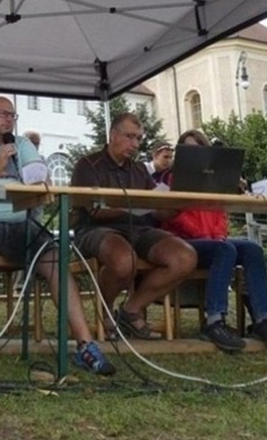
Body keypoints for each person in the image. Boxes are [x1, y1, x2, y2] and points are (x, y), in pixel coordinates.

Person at [0, 96, 115, 375]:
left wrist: (38, 179)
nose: (8, 120)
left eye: (12, 115)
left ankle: (86, 345)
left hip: (20, 221)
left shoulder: (21, 145)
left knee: (56, 259)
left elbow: (38, 177)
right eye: (2, 114)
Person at [70, 112, 197, 340]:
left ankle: (130, 310)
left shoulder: (139, 170)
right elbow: (94, 211)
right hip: (93, 229)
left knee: (185, 257)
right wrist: (132, 205)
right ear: (112, 134)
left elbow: (157, 209)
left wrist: (181, 202)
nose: (136, 144)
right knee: (123, 260)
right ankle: (105, 312)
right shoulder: (87, 165)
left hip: (137, 229)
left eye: (138, 138)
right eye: (130, 137)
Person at [160, 128, 267, 352]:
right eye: (189, 151)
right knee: (224, 249)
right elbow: (176, 218)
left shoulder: (216, 180)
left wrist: (218, 236)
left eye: (199, 150)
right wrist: (207, 237)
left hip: (213, 241)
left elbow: (221, 215)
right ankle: (214, 321)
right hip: (184, 242)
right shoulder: (175, 179)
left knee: (252, 249)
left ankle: (263, 320)